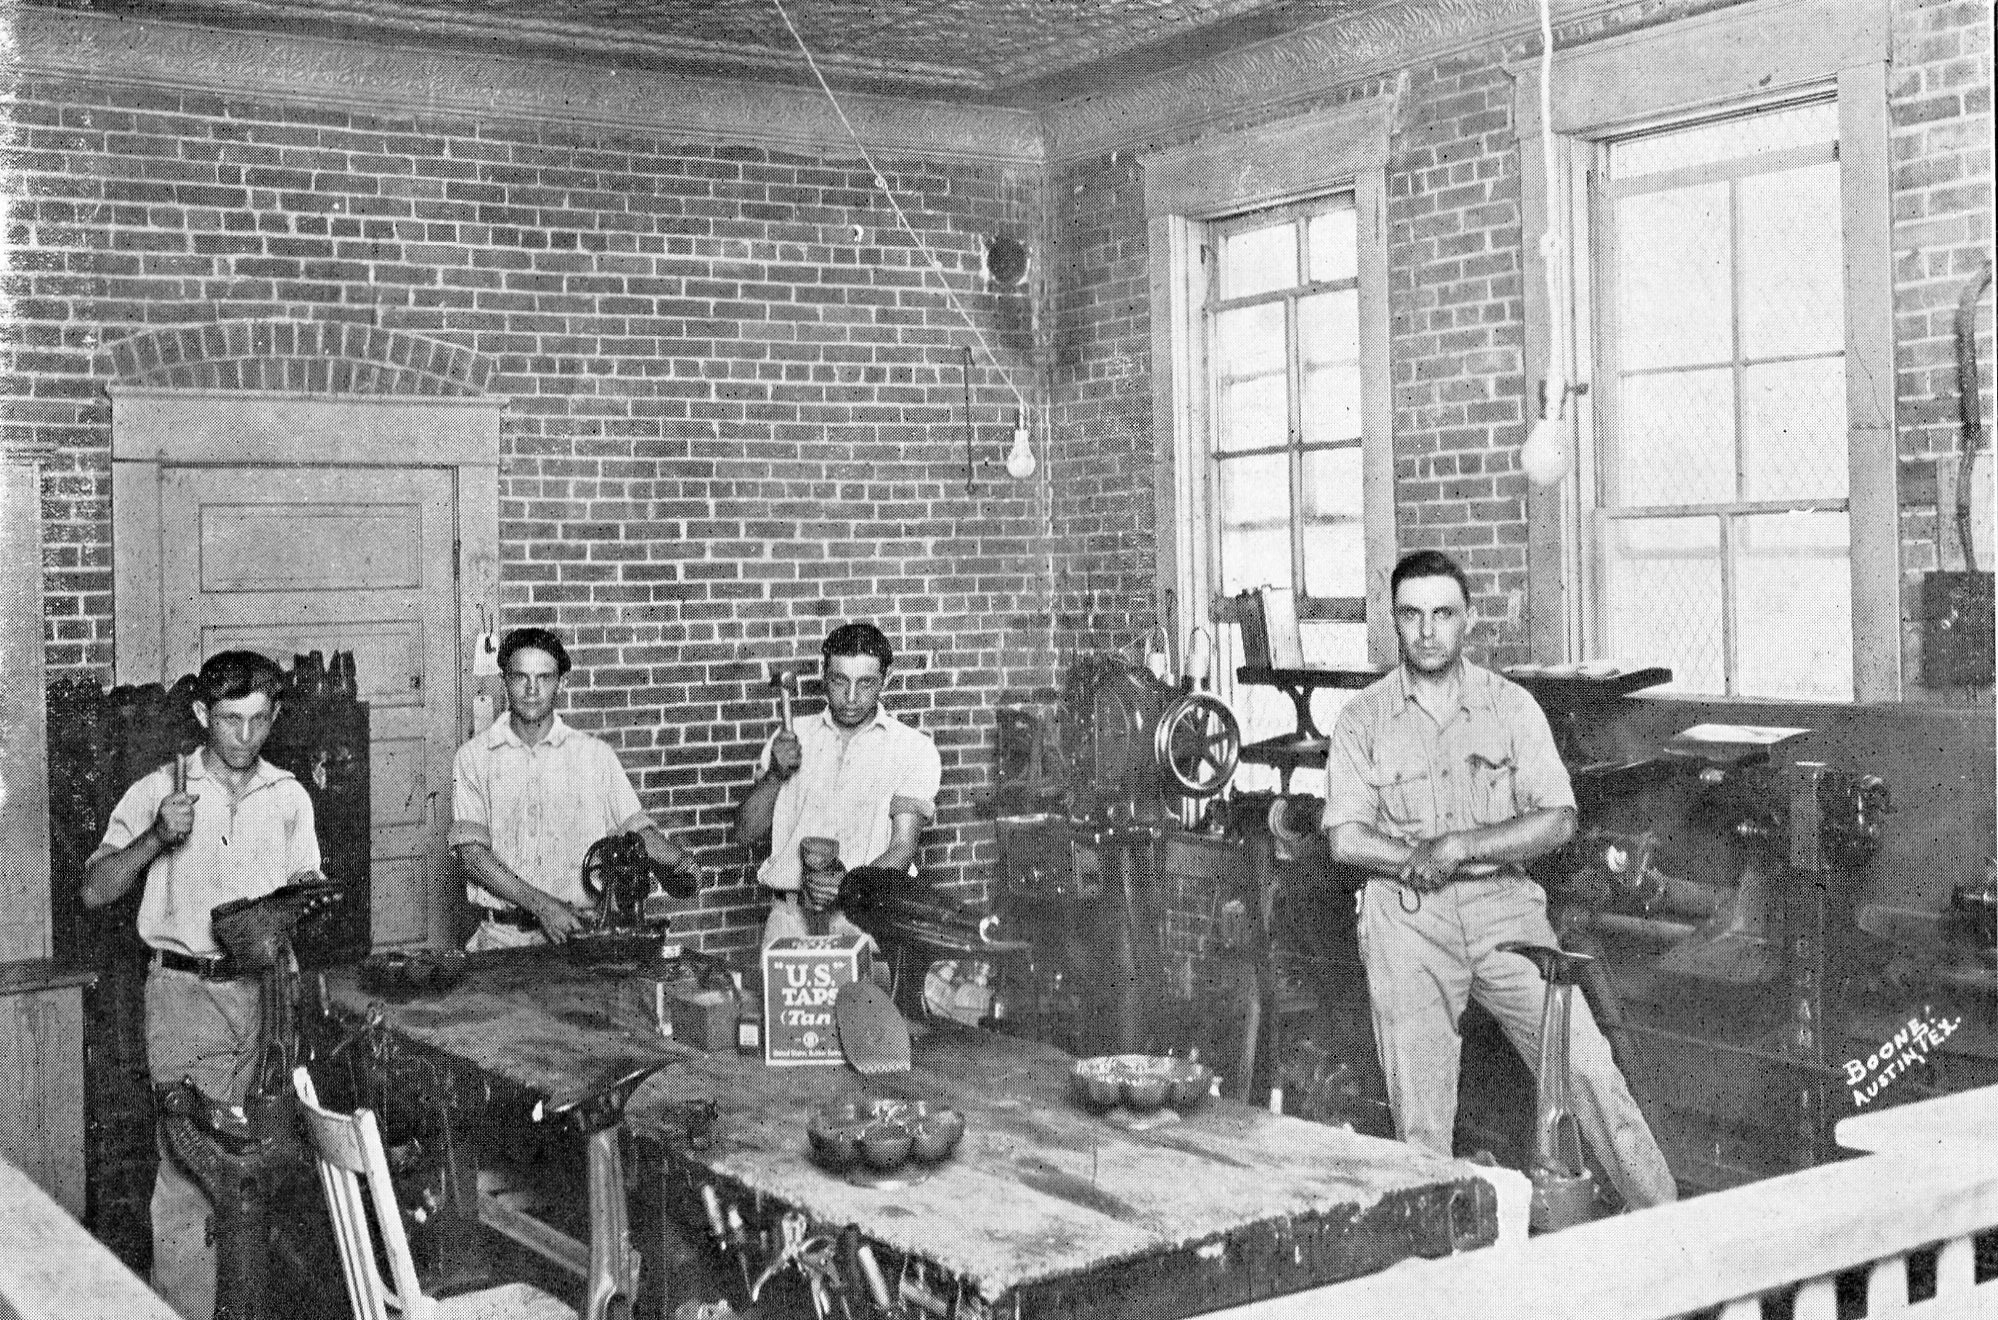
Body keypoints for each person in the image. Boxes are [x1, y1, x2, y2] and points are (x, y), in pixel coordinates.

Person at [1321, 549, 1676, 1211]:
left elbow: (1558, 819)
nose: (1428, 630)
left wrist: (1462, 845)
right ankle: (1437, 1278)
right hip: (1407, 913)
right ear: (1393, 622)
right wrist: (1414, 858)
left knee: (1589, 1070)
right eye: (1411, 614)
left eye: (1443, 614)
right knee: (1422, 1118)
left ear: (1469, 621)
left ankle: (1673, 1230)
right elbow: (1345, 838)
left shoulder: (1510, 707)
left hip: (1504, 911)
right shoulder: (1362, 719)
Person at [83, 650, 328, 1320]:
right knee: (193, 1173)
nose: (244, 737)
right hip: (183, 999)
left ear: (274, 715)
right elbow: (94, 888)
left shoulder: (289, 796)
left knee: (257, 1174)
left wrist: (299, 902)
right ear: (200, 714)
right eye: (229, 720)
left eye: (257, 720)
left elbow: (304, 886)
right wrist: (158, 836)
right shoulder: (159, 787)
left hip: (263, 1001)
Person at [450, 626, 700, 950]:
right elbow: (472, 857)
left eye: (544, 677)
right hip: (501, 941)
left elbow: (635, 832)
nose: (532, 689)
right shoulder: (473, 758)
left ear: (560, 683)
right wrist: (542, 906)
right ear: (504, 681)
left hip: (578, 939)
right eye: (520, 677)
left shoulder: (595, 755)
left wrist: (678, 861)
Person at [735, 622, 941, 947]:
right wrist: (775, 775)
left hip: (864, 920)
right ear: (823, 673)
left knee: (863, 999)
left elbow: (902, 848)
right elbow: (746, 833)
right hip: (790, 921)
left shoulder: (913, 749)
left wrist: (848, 887)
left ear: (886, 679)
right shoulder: (789, 738)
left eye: (866, 683)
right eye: (840, 680)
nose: (851, 697)